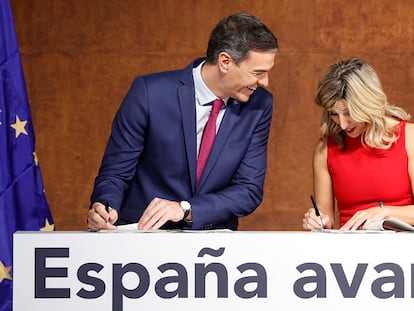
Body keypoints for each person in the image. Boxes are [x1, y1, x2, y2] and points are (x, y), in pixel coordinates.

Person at [87, 13, 279, 231]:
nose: (265, 82)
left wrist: (186, 208)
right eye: (258, 73)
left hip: (212, 245)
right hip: (140, 238)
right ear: (225, 61)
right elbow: (116, 173)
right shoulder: (150, 93)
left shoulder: (259, 104)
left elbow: (248, 189)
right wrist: (104, 207)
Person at [303, 58, 414, 231]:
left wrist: (383, 212)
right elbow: (326, 220)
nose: (342, 124)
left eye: (349, 113)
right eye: (333, 114)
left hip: (404, 251)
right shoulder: (324, 149)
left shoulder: (409, 138)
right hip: (351, 253)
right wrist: (319, 221)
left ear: (367, 104)